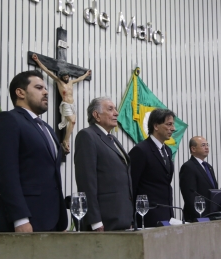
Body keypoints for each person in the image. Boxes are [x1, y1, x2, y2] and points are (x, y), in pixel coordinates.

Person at [0, 70, 68, 232]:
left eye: (46, 89)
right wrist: (20, 219)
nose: (46, 92)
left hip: (53, 219)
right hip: (26, 220)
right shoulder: (9, 120)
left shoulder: (47, 129)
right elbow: (6, 173)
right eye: (39, 88)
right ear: (20, 93)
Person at [74, 97, 133, 231]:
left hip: (122, 218)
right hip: (104, 220)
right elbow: (86, 182)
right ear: (96, 115)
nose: (116, 113)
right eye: (110, 109)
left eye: (115, 109)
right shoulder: (87, 136)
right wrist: (95, 221)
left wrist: (130, 217)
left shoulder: (112, 139)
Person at [32, 53, 91, 154]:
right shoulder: (59, 81)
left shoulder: (71, 82)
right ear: (62, 77)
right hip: (66, 105)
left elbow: (80, 79)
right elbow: (47, 71)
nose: (67, 77)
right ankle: (66, 141)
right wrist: (37, 61)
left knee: (72, 123)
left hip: (73, 105)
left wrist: (86, 74)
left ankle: (66, 140)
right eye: (65, 76)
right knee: (72, 121)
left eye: (68, 76)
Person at [129, 109, 176, 227]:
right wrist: (131, 218)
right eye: (169, 124)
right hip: (147, 216)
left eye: (173, 124)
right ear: (156, 126)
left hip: (167, 214)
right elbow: (131, 186)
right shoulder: (140, 150)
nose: (173, 128)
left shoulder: (168, 151)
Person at [179, 136, 218, 221]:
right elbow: (190, 196)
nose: (207, 147)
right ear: (193, 149)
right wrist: (200, 216)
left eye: (207, 145)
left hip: (212, 214)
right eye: (203, 145)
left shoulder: (208, 167)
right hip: (197, 217)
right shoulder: (188, 167)